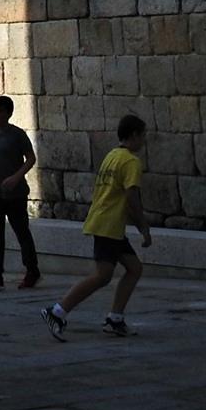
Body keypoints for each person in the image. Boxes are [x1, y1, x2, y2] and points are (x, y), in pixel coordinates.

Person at [43, 113, 151, 339]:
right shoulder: (131, 162)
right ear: (134, 135)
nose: (144, 140)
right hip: (108, 225)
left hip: (106, 223)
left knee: (134, 268)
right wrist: (143, 226)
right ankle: (57, 311)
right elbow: (132, 197)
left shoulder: (112, 156)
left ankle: (115, 318)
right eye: (143, 135)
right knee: (102, 276)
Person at [0, 95, 40, 292]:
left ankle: (32, 270)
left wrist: (16, 177)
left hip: (15, 194)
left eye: (0, 111)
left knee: (21, 232)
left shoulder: (17, 135)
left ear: (9, 113)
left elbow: (30, 158)